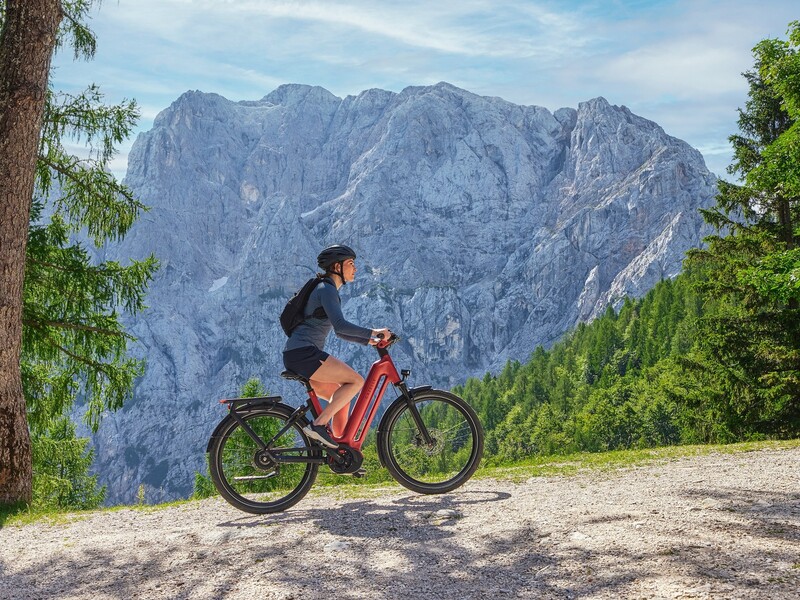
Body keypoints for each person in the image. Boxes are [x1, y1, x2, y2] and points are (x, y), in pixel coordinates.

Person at [283, 245, 392, 448]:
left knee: (341, 397)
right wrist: (373, 332)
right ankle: (319, 425)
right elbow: (341, 325)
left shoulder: (326, 289)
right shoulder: (326, 289)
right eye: (351, 263)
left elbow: (339, 332)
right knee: (356, 382)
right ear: (337, 266)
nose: (355, 268)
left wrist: (367, 340)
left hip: (298, 354)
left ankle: (341, 450)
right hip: (304, 353)